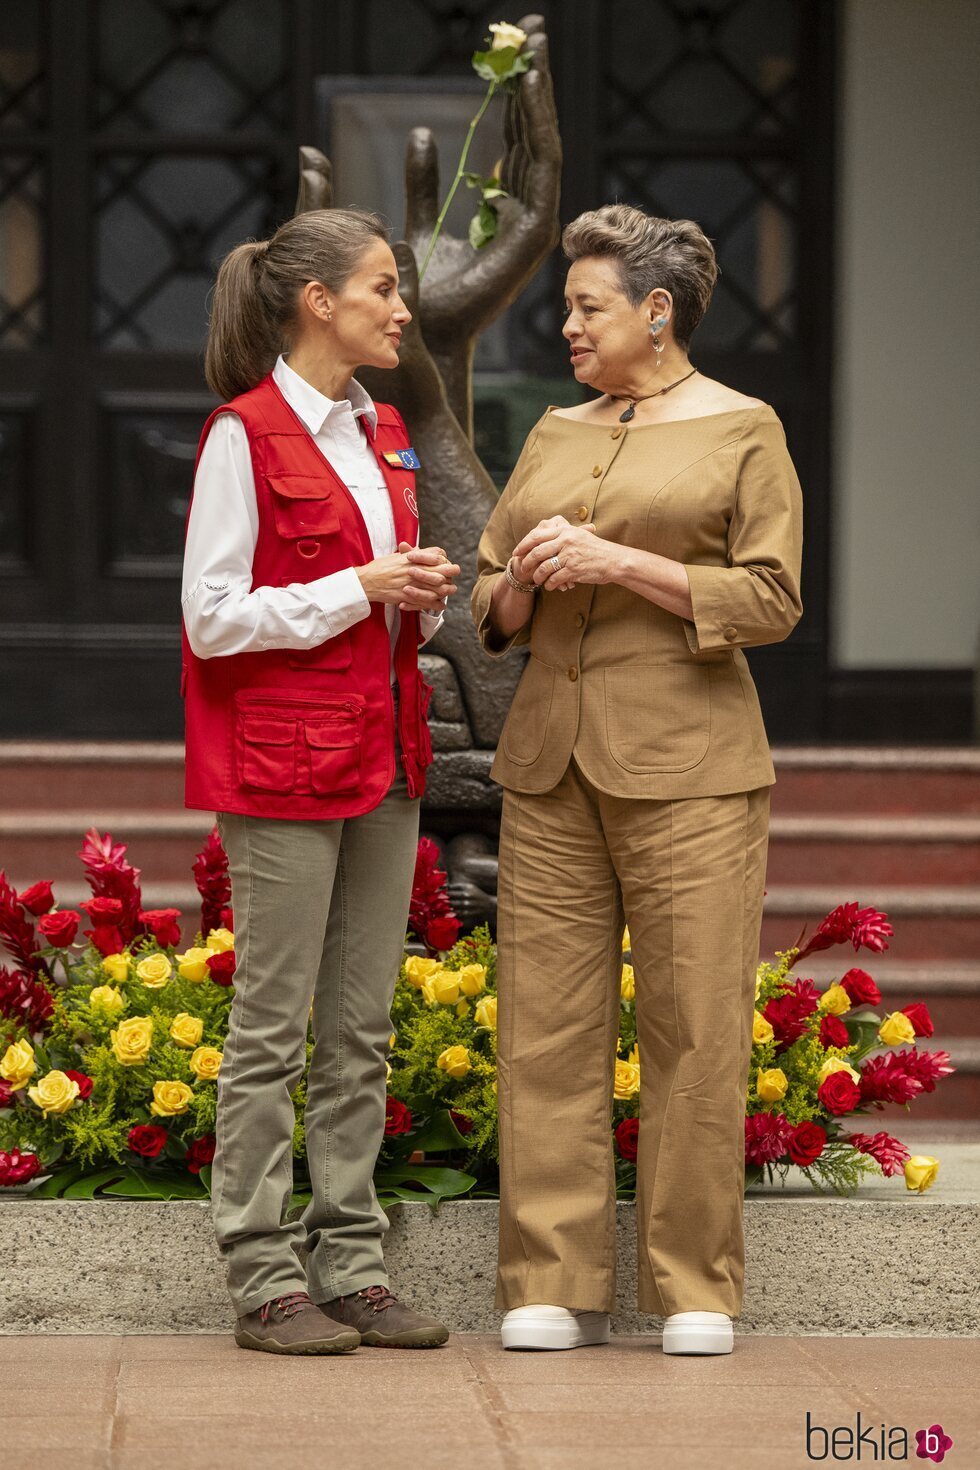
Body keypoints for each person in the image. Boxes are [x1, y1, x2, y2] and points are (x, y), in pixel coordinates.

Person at [472, 204, 803, 1355]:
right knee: (545, 1027)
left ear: (655, 314)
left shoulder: (743, 428)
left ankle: (692, 1290)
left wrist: (622, 562)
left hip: (693, 771)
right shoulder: (556, 431)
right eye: (567, 306)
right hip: (550, 761)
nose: (565, 326)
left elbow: (767, 597)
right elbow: (487, 599)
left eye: (586, 307)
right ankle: (549, 1284)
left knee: (693, 1028)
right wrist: (515, 578)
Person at [181, 207, 459, 1354]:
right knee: (270, 1030)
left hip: (383, 754)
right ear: (317, 302)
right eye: (384, 286)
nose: (401, 308)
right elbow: (210, 619)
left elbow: (389, 601)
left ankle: (350, 1261)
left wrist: (421, 590)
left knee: (361, 1029)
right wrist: (360, 586)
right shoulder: (240, 436)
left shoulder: (381, 427)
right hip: (282, 765)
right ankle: (260, 1277)